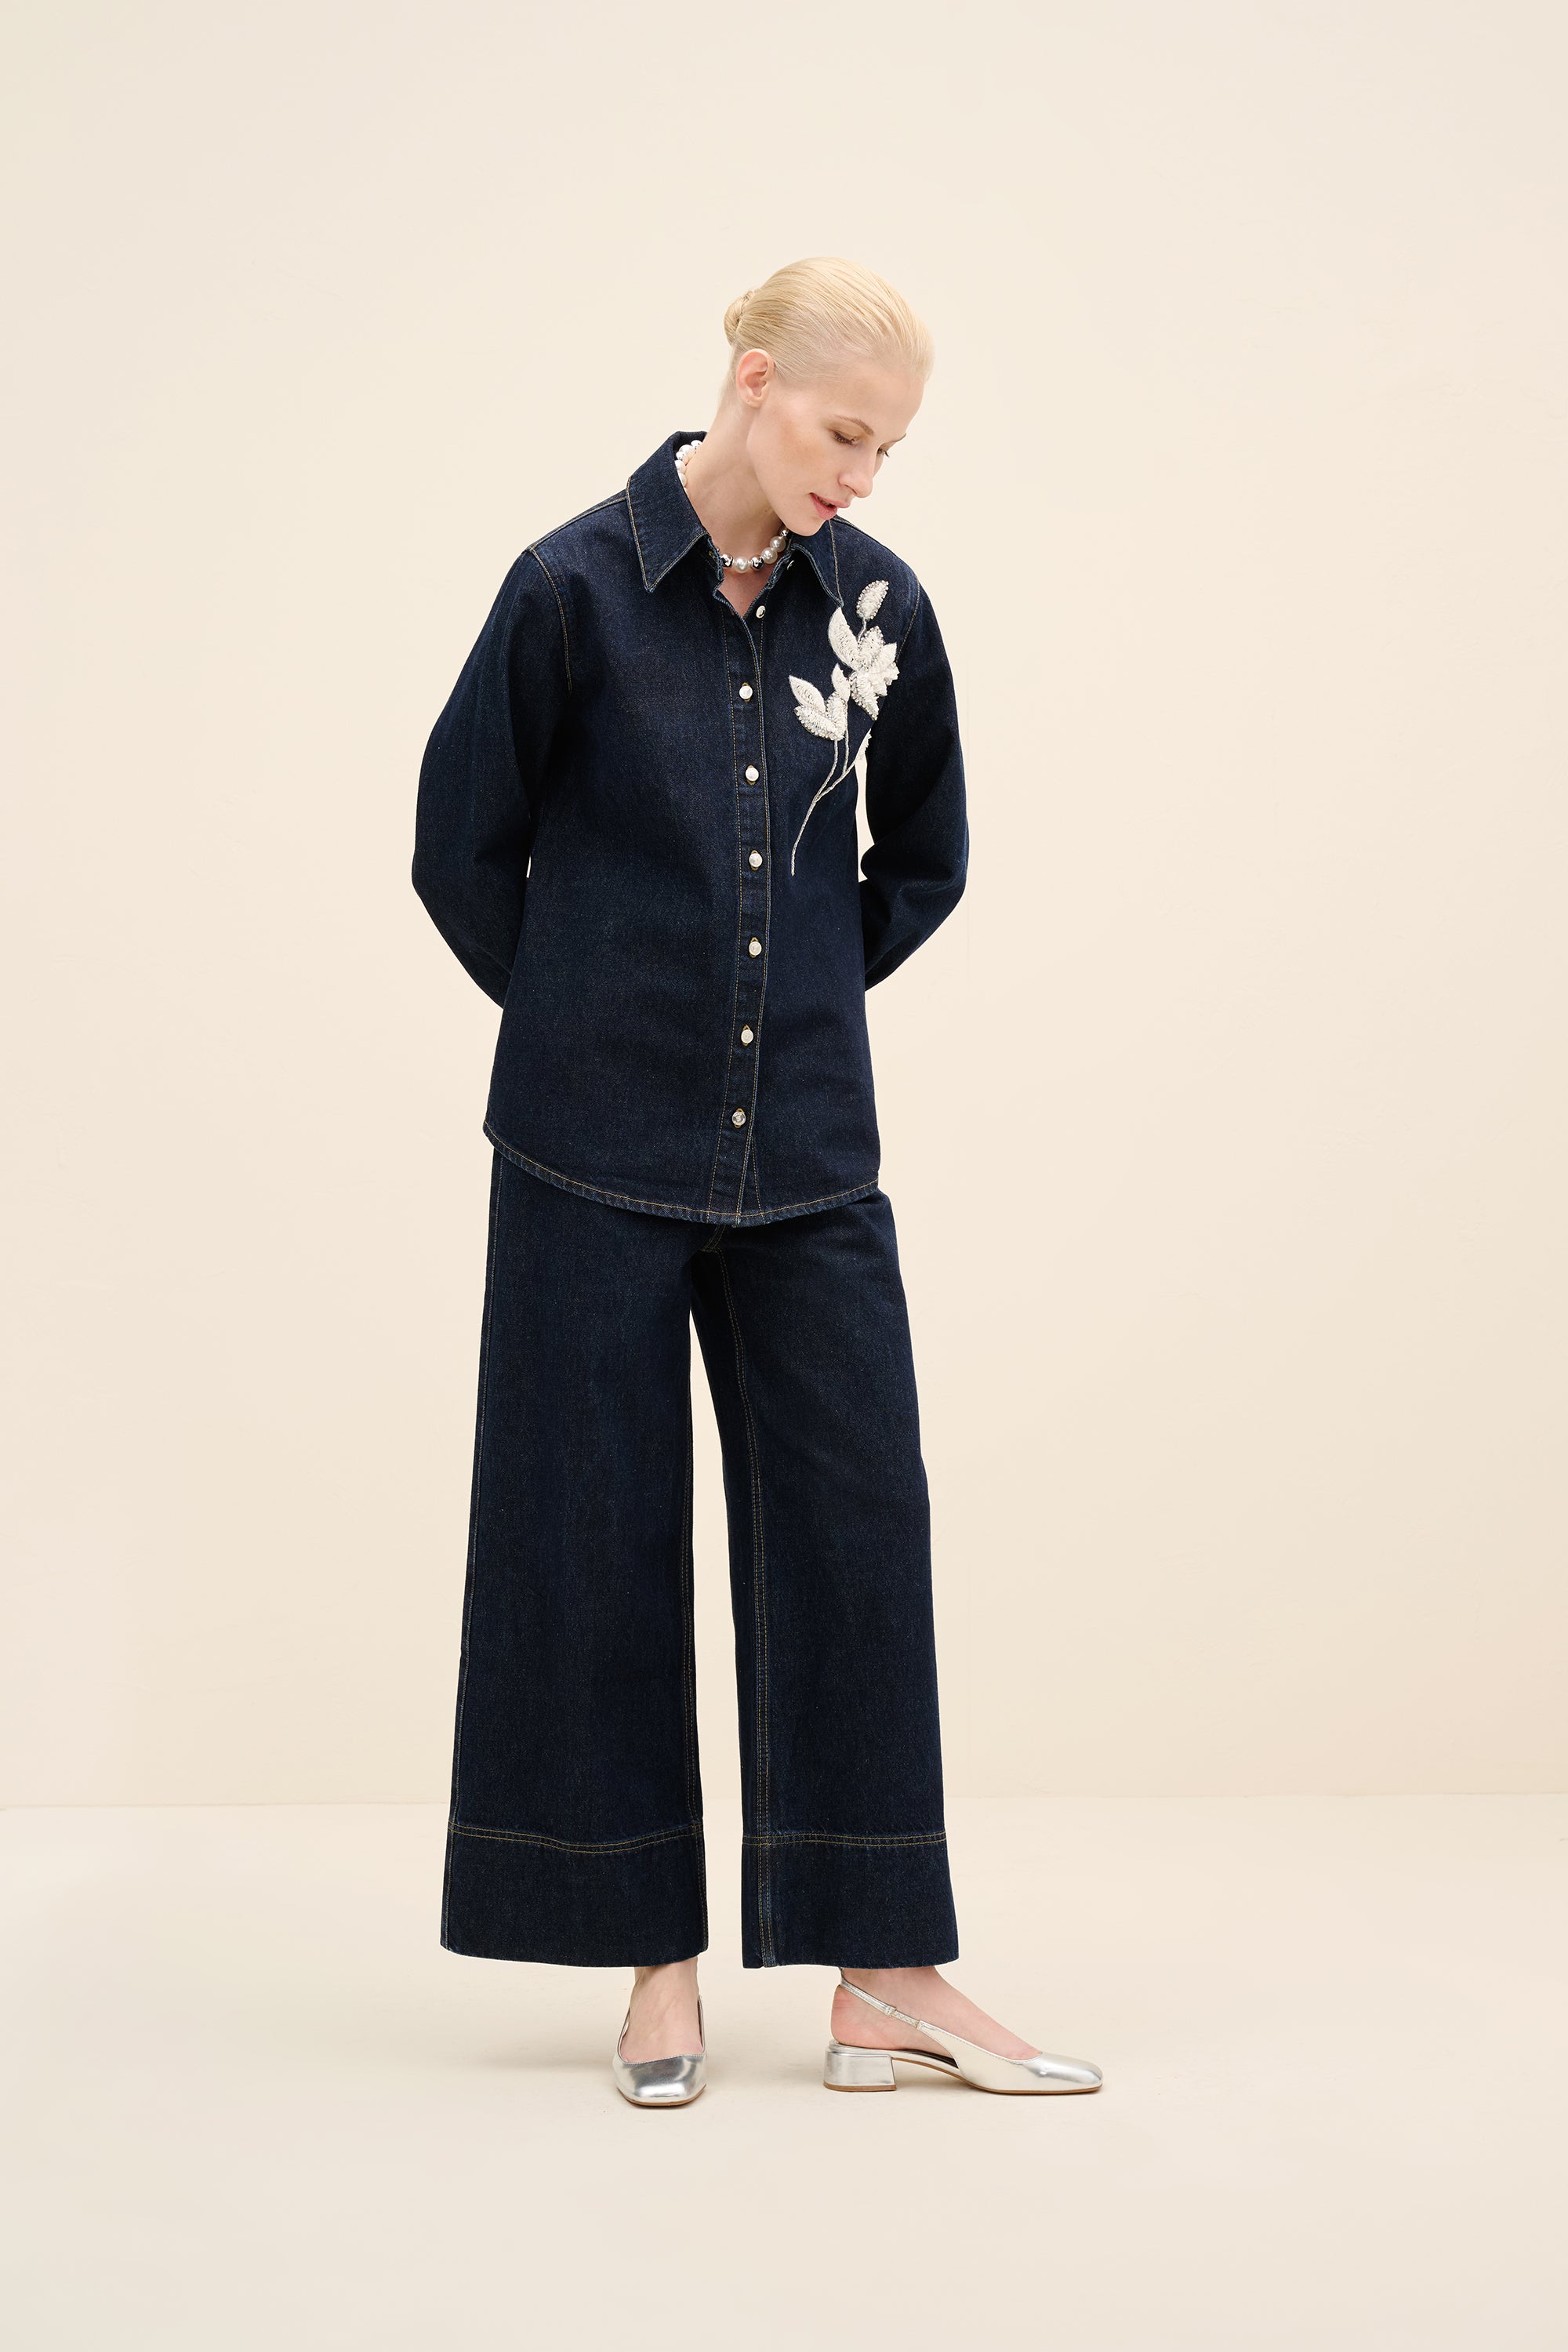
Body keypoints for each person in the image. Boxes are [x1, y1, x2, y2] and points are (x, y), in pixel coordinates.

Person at [412, 256, 1102, 2107]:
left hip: (804, 1146)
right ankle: (653, 1968)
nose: (859, 477)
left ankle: (886, 1974)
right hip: (586, 1152)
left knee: (856, 1526)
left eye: (888, 450)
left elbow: (923, 852)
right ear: (750, 380)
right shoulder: (566, 589)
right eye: (842, 432)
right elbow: (460, 849)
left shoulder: (877, 607)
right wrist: (596, 1018)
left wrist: (792, 995)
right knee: (593, 1540)